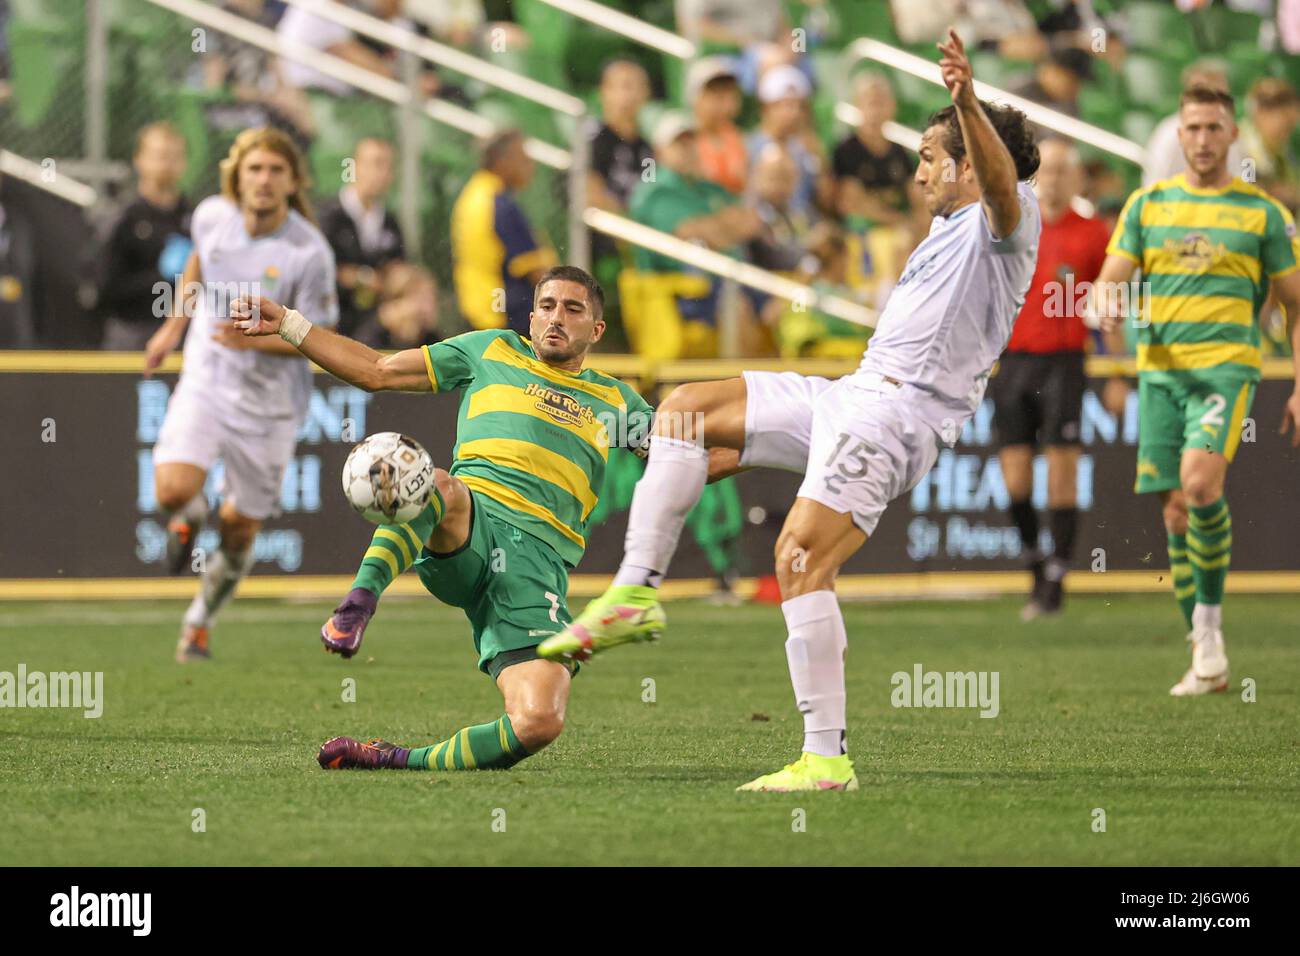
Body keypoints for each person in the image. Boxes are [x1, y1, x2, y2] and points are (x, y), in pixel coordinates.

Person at [540, 32, 1042, 792]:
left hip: (897, 418)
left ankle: (826, 759)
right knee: (685, 411)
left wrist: (968, 101)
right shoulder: (945, 230)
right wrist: (738, 452)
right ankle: (635, 592)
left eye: (930, 158)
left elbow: (1002, 189)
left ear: (969, 161)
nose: (917, 173)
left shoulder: (1007, 222)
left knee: (799, 559)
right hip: (853, 394)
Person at [228, 267, 700, 772]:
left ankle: (395, 759)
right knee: (437, 483)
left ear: (596, 330)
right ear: (532, 314)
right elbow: (377, 369)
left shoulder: (616, 400)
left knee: (540, 721)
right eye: (546, 306)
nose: (555, 318)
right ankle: (357, 604)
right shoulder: (491, 350)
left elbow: (688, 462)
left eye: (573, 309)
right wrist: (291, 325)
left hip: (537, 568)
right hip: (472, 522)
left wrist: (770, 439)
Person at [1094, 85, 1300, 697]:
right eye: (1193, 128)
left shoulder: (1263, 215)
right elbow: (1110, 281)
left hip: (1225, 371)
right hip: (1160, 376)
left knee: (1199, 483)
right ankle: (1203, 655)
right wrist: (1105, 303)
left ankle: (1209, 635)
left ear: (1233, 134)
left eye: (1214, 127)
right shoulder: (1146, 205)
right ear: (1178, 135)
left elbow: (1294, 306)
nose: (1204, 140)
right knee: (1177, 511)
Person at [142, 127, 338, 663]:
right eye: (255, 169)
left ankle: (199, 621)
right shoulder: (211, 216)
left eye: (276, 170)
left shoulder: (309, 253)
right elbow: (200, 263)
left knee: (239, 528)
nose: (264, 180)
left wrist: (267, 338)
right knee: (170, 490)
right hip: (208, 381)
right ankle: (189, 515)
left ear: (293, 181)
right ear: (238, 175)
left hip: (270, 407)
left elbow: (320, 341)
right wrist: (171, 329)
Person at [991, 138, 1110, 619]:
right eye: (1048, 170)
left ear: (1077, 179)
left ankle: (1057, 576)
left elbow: (1110, 301)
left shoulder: (1094, 233)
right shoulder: (1014, 227)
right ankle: (1035, 564)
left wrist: (1118, 370)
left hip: (1064, 361)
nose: (1055, 179)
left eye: (1064, 170)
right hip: (1015, 361)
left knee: (1062, 472)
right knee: (1014, 478)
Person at [317, 137, 437, 348]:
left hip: (377, 319)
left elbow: (397, 273)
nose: (382, 173)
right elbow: (323, 274)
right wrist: (366, 279)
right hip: (332, 321)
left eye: (389, 166)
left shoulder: (389, 223)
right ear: (355, 167)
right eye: (376, 163)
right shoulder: (327, 215)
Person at [451, 129, 557, 336]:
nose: (529, 165)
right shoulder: (500, 205)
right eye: (522, 158)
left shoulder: (474, 193)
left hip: (478, 308)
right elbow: (537, 273)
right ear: (502, 161)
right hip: (502, 316)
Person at [98, 122, 192, 351]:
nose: (166, 164)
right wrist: (158, 277)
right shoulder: (123, 218)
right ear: (139, 159)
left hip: (184, 332)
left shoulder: (194, 218)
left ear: (184, 163)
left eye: (173, 156)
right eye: (159, 155)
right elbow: (103, 288)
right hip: (133, 332)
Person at [833, 73, 921, 231]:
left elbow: (916, 194)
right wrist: (899, 221)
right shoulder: (846, 150)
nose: (876, 110)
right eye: (871, 103)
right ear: (858, 105)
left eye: (882, 103)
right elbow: (850, 204)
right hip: (863, 233)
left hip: (901, 232)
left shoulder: (899, 152)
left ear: (893, 106)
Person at [1142, 60, 1245, 187]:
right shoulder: (1168, 134)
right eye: (1203, 90)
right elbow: (1154, 186)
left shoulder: (1234, 131)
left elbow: (1247, 176)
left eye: (1218, 91)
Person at [688, 57, 748, 195]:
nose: (725, 104)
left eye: (730, 93)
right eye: (717, 95)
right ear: (697, 98)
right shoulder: (683, 138)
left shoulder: (736, 137)